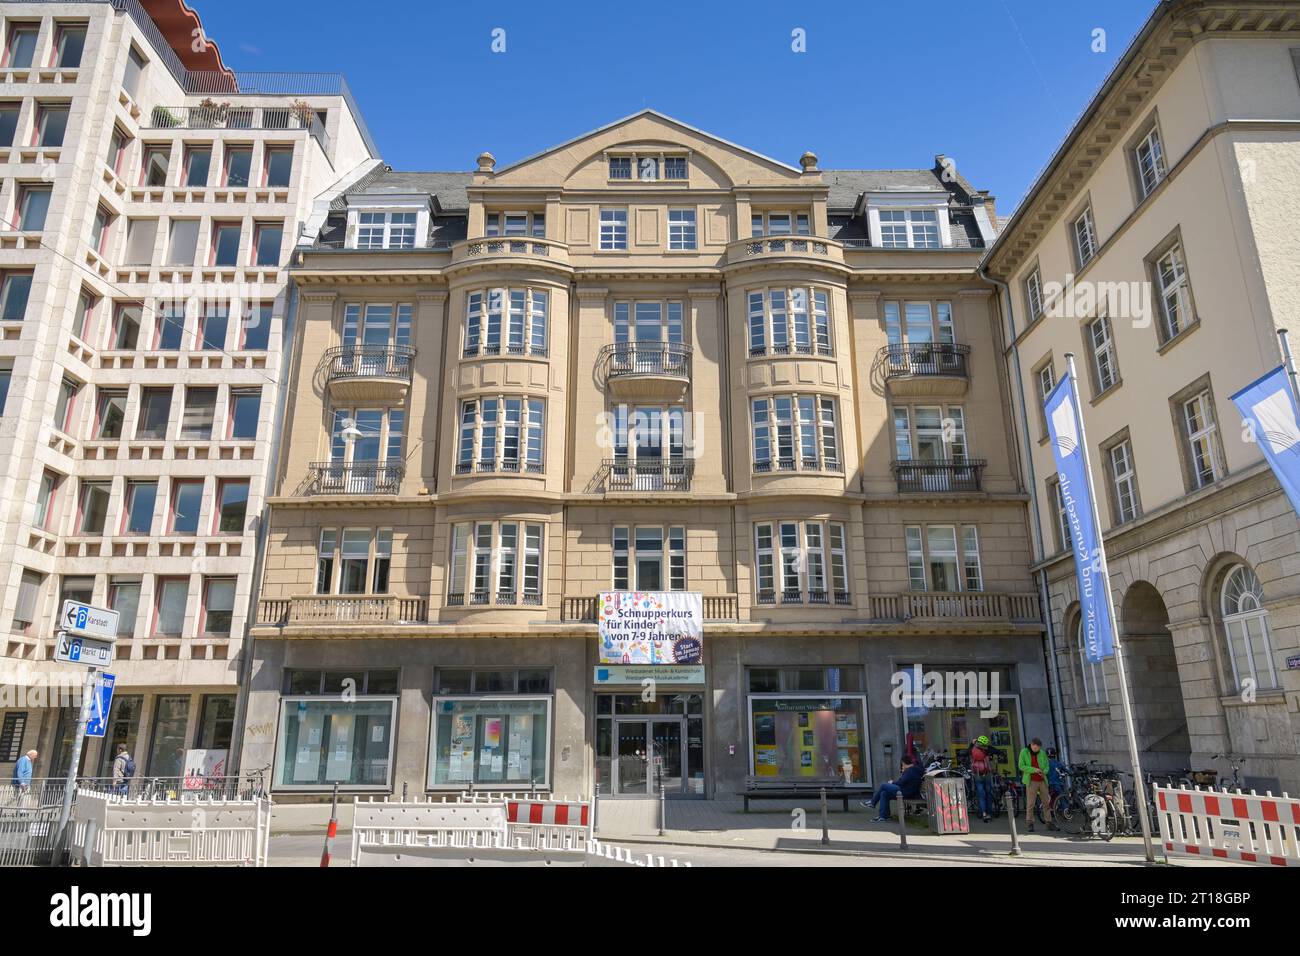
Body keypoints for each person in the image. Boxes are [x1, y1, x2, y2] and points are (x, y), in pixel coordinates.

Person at [863, 754, 924, 822]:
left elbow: (901, 783)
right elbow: (904, 782)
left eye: (902, 764)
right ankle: (883, 816)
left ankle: (872, 802)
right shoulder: (913, 770)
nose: (902, 766)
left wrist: (892, 783)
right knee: (884, 793)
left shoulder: (910, 771)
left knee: (884, 785)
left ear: (904, 763)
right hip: (908, 791)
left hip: (906, 792)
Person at [1019, 738, 1058, 832]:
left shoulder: (1042, 753)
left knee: (1046, 803)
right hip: (1031, 780)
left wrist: (1043, 772)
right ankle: (1030, 823)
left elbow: (1047, 765)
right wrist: (1034, 770)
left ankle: (1049, 823)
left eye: (1038, 748)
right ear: (1031, 745)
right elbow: (1021, 766)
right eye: (1035, 748)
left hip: (1042, 780)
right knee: (1030, 803)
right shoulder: (1024, 752)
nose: (1037, 750)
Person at [970, 734, 994, 822]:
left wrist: (972, 744)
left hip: (978, 774)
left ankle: (983, 813)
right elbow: (982, 756)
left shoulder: (973, 749)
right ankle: (989, 812)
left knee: (981, 795)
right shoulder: (984, 751)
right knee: (988, 793)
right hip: (986, 773)